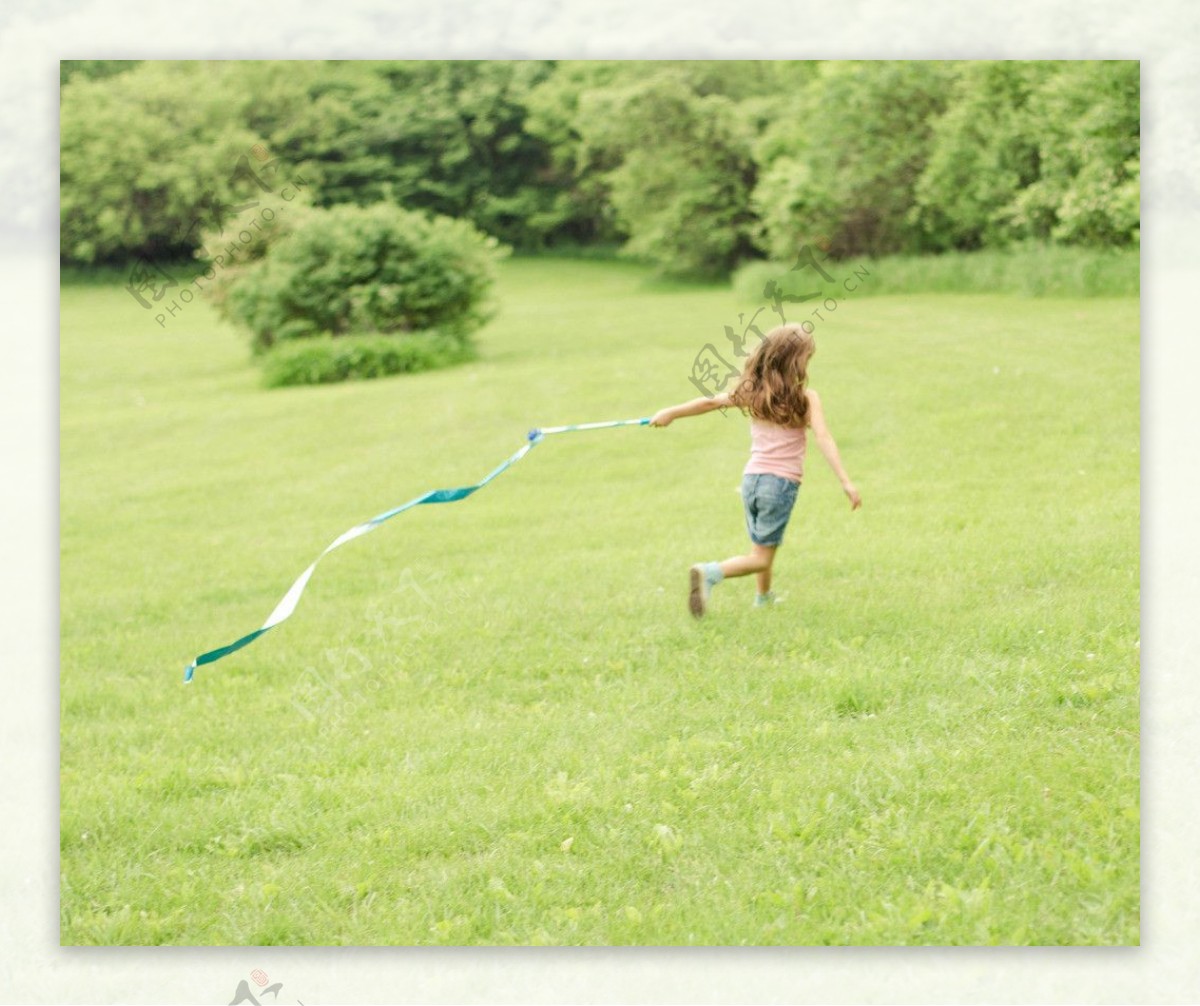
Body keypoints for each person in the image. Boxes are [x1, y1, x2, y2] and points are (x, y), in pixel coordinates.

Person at [650, 324, 862, 617]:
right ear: (797, 362)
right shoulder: (806, 398)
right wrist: (846, 481)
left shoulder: (752, 392)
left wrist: (670, 413)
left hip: (751, 481)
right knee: (761, 558)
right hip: (780, 485)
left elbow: (710, 402)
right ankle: (710, 572)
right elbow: (823, 437)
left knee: (761, 545)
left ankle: (763, 598)